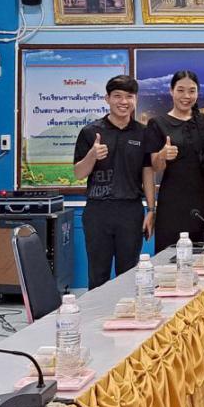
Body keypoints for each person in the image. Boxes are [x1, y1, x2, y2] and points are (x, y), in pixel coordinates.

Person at [73, 75, 155, 289]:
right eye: (117, 96)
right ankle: (96, 312)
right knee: (98, 275)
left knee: (128, 276)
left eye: (129, 96)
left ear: (135, 100)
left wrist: (151, 209)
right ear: (107, 99)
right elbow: (79, 173)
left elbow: (148, 171)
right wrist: (92, 156)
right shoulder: (90, 132)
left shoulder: (142, 132)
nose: (123, 101)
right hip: (98, 211)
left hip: (130, 211)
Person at [145, 70, 204, 253]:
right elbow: (154, 166)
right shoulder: (158, 123)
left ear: (198, 92)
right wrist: (162, 155)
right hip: (172, 204)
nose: (186, 96)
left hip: (202, 201)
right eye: (181, 90)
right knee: (169, 258)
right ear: (171, 91)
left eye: (192, 91)